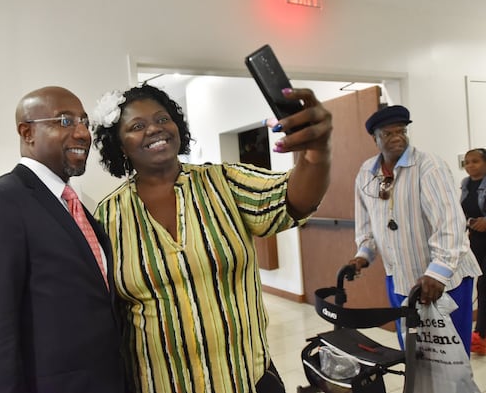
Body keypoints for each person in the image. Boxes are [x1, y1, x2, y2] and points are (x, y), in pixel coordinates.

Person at [91, 84, 332, 393]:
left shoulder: (224, 182)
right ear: (120, 146)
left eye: (163, 119)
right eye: (137, 126)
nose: (154, 129)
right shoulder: (107, 216)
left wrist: (318, 152)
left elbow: (293, 200)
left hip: (248, 380)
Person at [0, 86, 127, 393]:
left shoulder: (78, 209)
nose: (83, 132)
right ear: (27, 132)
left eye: (84, 121)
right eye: (65, 121)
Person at [349, 105, 482, 354]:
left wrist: (437, 272)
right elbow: (367, 222)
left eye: (401, 131)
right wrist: (363, 255)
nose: (397, 137)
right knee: (413, 349)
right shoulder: (367, 173)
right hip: (399, 278)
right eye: (388, 134)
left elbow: (449, 224)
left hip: (445, 279)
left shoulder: (428, 166)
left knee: (449, 357)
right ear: (375, 139)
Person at [461, 148, 486, 355]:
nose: (470, 166)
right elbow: (462, 214)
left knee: (485, 284)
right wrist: (470, 222)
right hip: (475, 239)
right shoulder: (465, 184)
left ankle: (481, 334)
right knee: (473, 281)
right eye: (467, 162)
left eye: (475, 161)